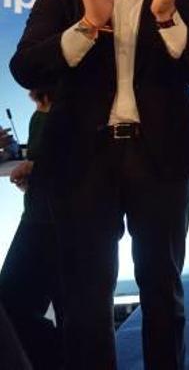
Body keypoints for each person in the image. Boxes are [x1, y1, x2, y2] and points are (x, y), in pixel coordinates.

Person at [9, 0, 189, 369]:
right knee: (85, 292)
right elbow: (25, 68)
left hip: (160, 160)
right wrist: (89, 24)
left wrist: (165, 18)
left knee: (163, 286)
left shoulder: (182, 4)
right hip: (83, 163)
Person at [1, 88, 63, 369]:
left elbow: (82, 158)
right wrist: (31, 178)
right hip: (38, 217)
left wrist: (34, 169)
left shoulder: (69, 106)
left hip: (60, 223)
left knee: (13, 307)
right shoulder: (40, 113)